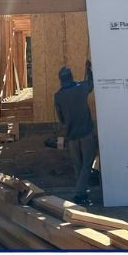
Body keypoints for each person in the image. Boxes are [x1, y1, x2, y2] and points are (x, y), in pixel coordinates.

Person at [54, 60, 97, 205]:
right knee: (87, 163)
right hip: (86, 133)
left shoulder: (58, 96)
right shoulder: (81, 88)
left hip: (71, 136)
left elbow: (61, 118)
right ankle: (80, 193)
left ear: (61, 80)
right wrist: (89, 69)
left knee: (78, 165)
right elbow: (91, 83)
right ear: (71, 77)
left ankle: (82, 193)